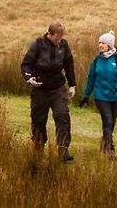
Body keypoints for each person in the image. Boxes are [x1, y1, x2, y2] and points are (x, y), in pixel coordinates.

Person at [21, 21, 77, 162]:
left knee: (62, 116)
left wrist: (72, 85)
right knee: (38, 120)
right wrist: (30, 79)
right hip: (40, 88)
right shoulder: (38, 45)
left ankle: (63, 150)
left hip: (57, 88)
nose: (58, 41)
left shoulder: (64, 45)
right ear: (49, 34)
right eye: (56, 38)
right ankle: (38, 149)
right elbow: (26, 64)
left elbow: (69, 65)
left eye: (60, 38)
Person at [78, 30, 117, 160]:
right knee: (107, 120)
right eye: (99, 42)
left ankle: (105, 142)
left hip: (116, 97)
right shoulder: (97, 60)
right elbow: (91, 78)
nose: (100, 45)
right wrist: (86, 96)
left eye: (103, 43)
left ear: (110, 45)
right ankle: (110, 149)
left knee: (111, 122)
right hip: (101, 96)